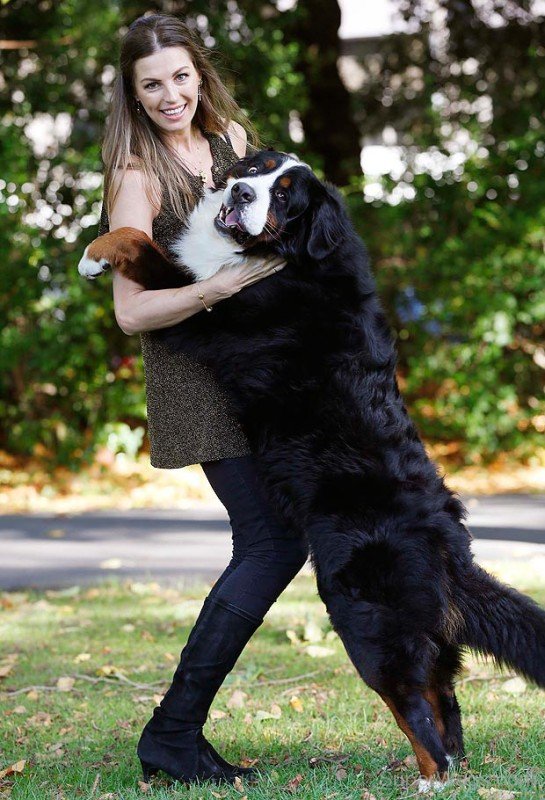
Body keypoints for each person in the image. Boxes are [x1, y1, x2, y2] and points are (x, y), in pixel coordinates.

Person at [99, 13, 309, 786]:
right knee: (272, 541)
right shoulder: (136, 173)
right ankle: (173, 731)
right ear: (131, 91)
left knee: (283, 536)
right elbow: (131, 310)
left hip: (261, 367)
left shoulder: (233, 142)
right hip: (198, 376)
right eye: (151, 84)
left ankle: (174, 732)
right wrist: (219, 288)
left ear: (200, 74)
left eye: (180, 76)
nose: (169, 95)